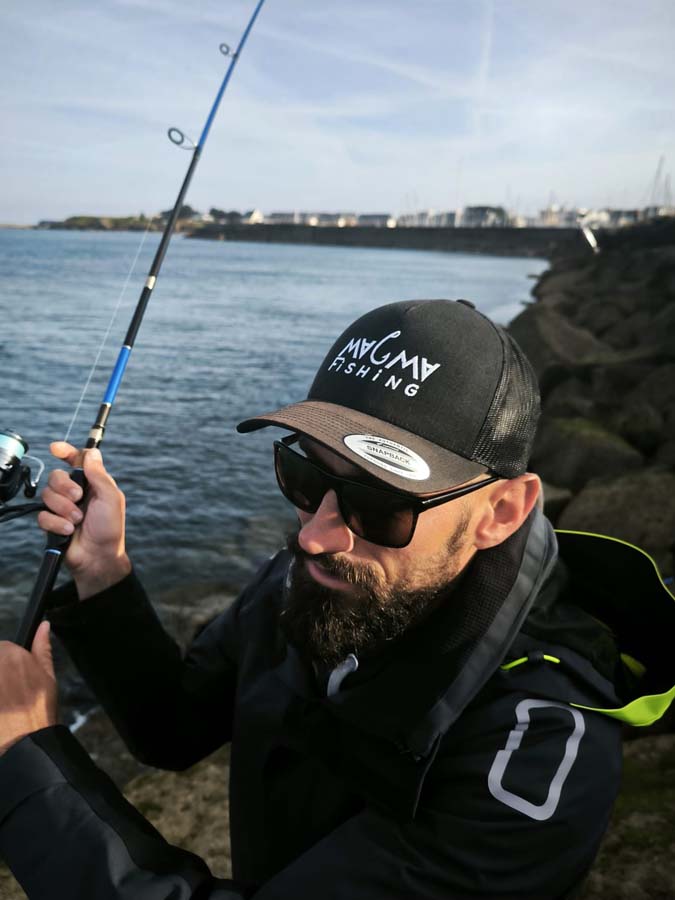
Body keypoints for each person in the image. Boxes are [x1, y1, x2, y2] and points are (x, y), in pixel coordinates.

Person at [0, 298, 672, 899]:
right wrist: (105, 573)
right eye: (303, 473)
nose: (317, 534)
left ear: (500, 510)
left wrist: (26, 764)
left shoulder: (536, 761)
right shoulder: (314, 580)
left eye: (376, 504)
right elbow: (173, 727)